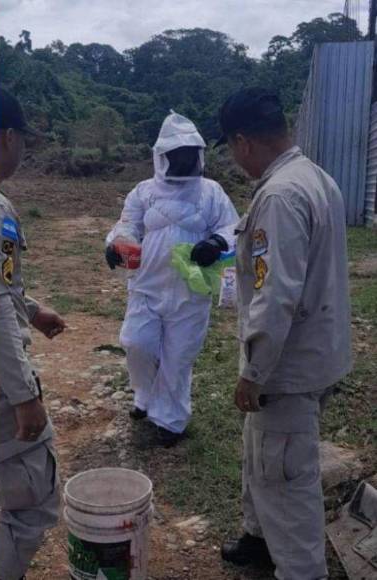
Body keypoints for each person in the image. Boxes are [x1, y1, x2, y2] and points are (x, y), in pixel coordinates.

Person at [217, 88, 352, 580]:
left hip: (287, 366)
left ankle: (300, 569)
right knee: (262, 452)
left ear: (243, 141)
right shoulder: (316, 178)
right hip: (313, 351)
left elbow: (275, 295)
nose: (235, 160)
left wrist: (253, 372)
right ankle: (258, 538)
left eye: (232, 150)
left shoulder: (279, 195)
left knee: (286, 475)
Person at [104, 111, 238, 446]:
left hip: (191, 290)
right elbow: (127, 225)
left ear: (199, 155)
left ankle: (170, 420)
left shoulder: (211, 192)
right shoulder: (143, 191)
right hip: (146, 286)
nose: (183, 161)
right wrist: (113, 244)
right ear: (162, 157)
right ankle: (145, 398)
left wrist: (216, 242)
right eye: (176, 155)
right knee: (137, 344)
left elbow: (232, 227)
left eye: (189, 154)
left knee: (178, 358)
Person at [0, 86, 65, 580]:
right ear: (7, 136)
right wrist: (23, 396)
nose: (23, 152)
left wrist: (31, 310)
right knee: (32, 500)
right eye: (23, 141)